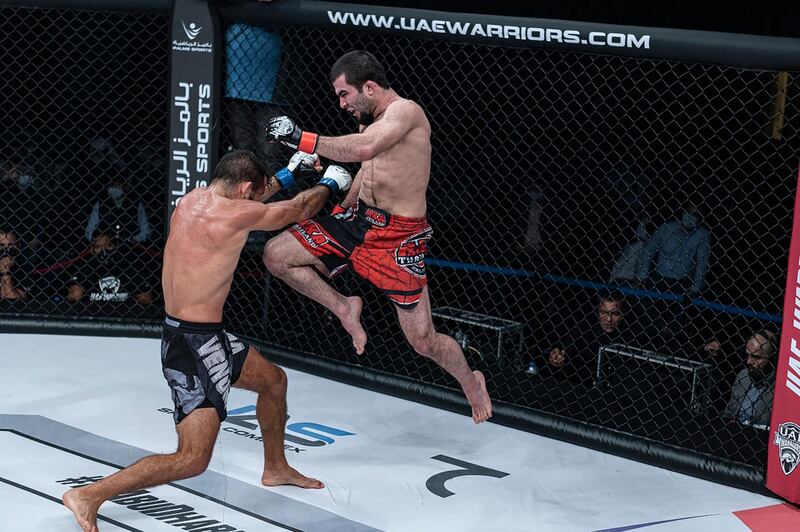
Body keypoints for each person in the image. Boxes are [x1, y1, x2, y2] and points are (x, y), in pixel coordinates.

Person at [63, 149, 353, 532]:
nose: (253, 200)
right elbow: (298, 210)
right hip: (193, 347)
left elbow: (249, 202)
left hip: (202, 336)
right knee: (192, 459)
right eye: (254, 193)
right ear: (245, 189)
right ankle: (89, 495)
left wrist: (289, 172)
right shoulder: (235, 213)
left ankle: (276, 467)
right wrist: (332, 180)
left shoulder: (192, 200)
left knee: (274, 381)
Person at [263, 50, 492, 424]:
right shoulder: (369, 119)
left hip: (398, 238)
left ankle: (471, 382)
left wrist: (300, 139)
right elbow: (368, 170)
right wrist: (340, 214)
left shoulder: (406, 112)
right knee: (276, 254)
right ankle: (344, 307)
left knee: (422, 340)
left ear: (369, 86)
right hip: (357, 222)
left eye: (344, 95)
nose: (342, 104)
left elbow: (366, 150)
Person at [722, 329, 778, 428]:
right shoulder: (743, 376)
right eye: (748, 355)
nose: (749, 361)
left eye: (756, 357)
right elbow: (729, 412)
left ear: (772, 358)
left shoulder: (780, 387)